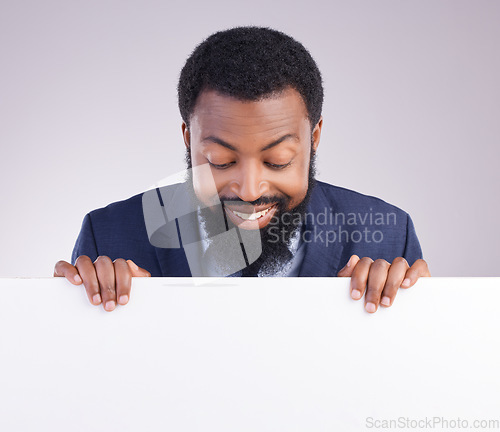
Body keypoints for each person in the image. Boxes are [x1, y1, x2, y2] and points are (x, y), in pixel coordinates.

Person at [54, 26, 430, 313]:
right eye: (220, 161)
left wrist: (419, 315)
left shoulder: (386, 235)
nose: (249, 190)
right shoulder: (110, 235)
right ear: (188, 138)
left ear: (314, 137)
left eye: (278, 160)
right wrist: (77, 314)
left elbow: (424, 381)